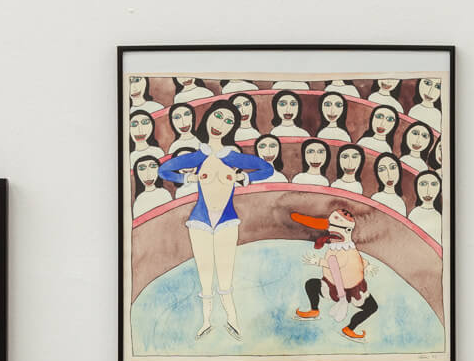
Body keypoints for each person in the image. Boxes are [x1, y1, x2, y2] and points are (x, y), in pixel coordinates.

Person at [158, 103, 275, 338]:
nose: (220, 124)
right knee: (205, 274)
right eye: (218, 116)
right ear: (207, 118)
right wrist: (189, 178)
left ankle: (232, 319)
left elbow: (266, 169)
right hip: (200, 221)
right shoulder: (197, 156)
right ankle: (206, 322)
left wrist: (242, 177)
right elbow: (164, 171)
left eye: (228, 121)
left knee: (225, 273)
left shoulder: (232, 157)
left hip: (226, 220)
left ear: (233, 128)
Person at [292, 205, 379, 340]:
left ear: (348, 230)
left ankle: (349, 328)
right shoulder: (337, 248)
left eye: (334, 227)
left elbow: (349, 261)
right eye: (330, 227)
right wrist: (319, 262)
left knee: (372, 307)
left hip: (355, 290)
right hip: (332, 286)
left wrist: (367, 265)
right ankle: (314, 310)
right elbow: (337, 265)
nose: (330, 232)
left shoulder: (347, 249)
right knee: (311, 284)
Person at [411, 170, 444, 243]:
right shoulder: (414, 214)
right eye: (423, 184)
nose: (428, 190)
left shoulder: (440, 216)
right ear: (416, 188)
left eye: (434, 184)